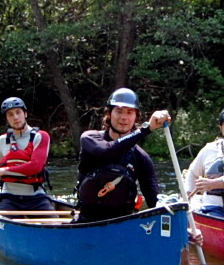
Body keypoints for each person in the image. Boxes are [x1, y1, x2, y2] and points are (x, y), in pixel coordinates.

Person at [73, 88, 170, 223]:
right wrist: (146, 129)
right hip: (87, 221)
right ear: (109, 114)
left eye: (130, 112)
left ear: (136, 116)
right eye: (119, 111)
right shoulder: (90, 138)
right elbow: (109, 150)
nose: (124, 117)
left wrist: (184, 230)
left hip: (124, 225)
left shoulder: (141, 157)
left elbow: (154, 201)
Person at [0, 97, 54, 213]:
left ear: (25, 114)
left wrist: (3, 171)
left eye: (18, 112)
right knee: (4, 217)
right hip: (9, 198)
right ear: (7, 119)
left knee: (54, 224)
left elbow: (35, 167)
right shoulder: (2, 140)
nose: (15, 117)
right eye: (10, 114)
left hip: (36, 197)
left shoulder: (41, 136)